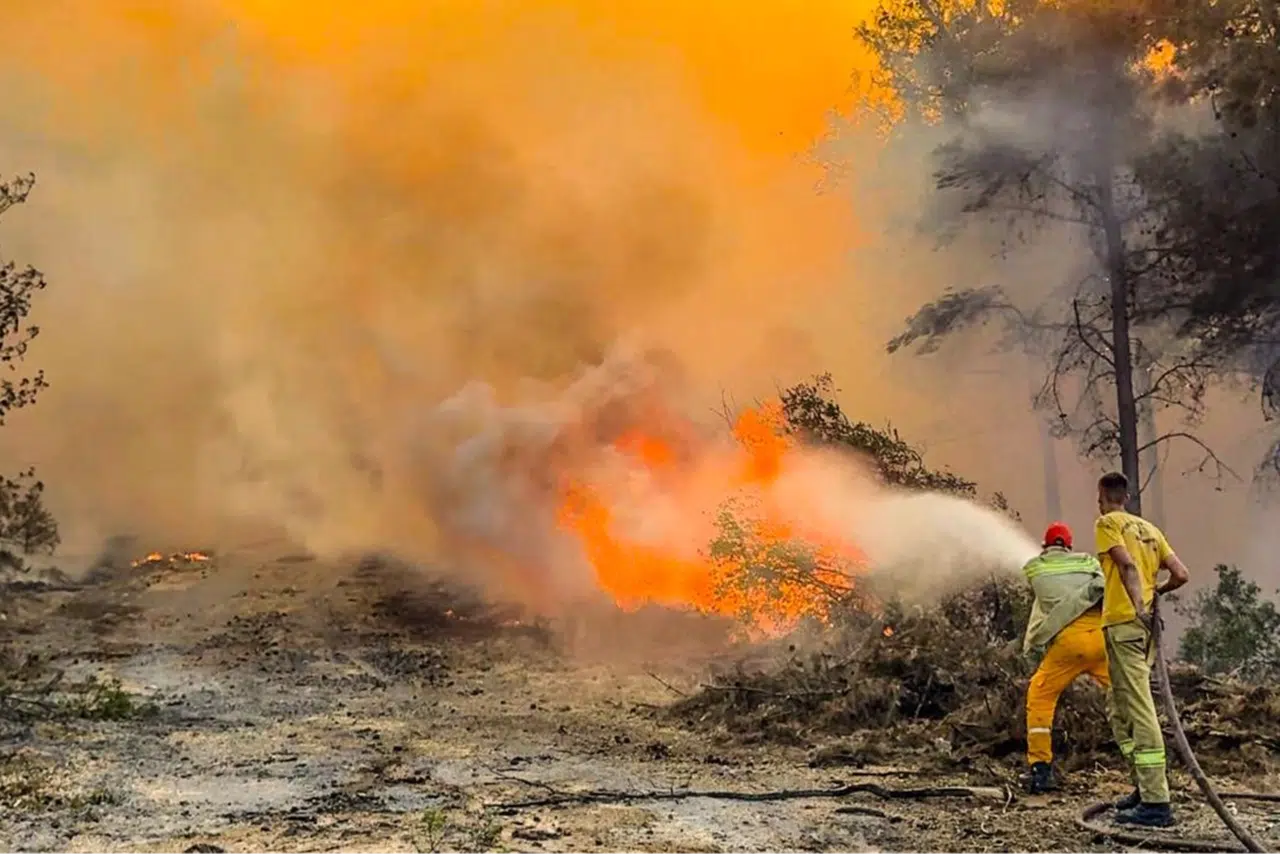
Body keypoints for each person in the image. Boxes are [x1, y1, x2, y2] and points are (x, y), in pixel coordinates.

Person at [1095, 471, 1190, 828]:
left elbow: (1127, 564)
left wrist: (1138, 603)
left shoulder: (1107, 524)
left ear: (1102, 496)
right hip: (1141, 628)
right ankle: (1143, 785)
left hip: (1124, 624)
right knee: (1118, 707)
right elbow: (1181, 574)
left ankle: (1156, 803)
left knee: (1138, 706)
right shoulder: (1151, 530)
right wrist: (1156, 594)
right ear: (1128, 497)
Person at [1021, 522, 1110, 794]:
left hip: (1070, 643)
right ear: (1069, 545)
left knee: (1040, 695)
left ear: (1045, 546)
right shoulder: (1088, 563)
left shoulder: (1036, 567)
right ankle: (1150, 761)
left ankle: (1041, 770)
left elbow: (1044, 602)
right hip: (1102, 640)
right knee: (1126, 697)